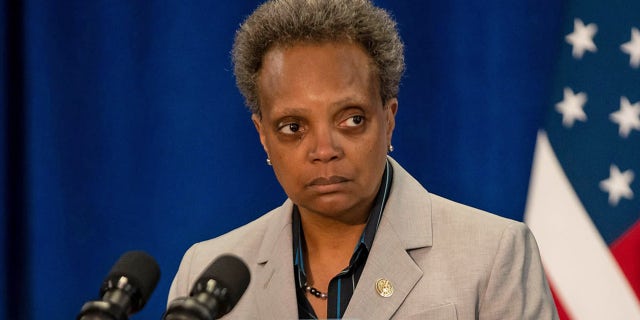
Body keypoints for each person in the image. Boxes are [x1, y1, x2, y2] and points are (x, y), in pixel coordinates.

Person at [168, 0, 558, 319]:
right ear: (263, 136)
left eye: (352, 119)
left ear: (388, 120)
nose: (324, 150)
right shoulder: (206, 276)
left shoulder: (491, 255)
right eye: (292, 127)